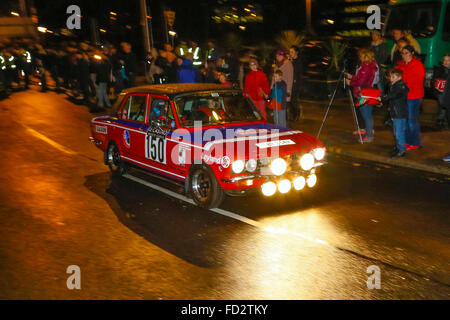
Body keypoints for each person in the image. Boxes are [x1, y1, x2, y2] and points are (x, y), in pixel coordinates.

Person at [345, 48, 379, 142]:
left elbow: (361, 82)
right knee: (367, 114)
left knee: (366, 115)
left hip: (364, 93)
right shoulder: (369, 66)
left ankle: (369, 136)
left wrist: (350, 82)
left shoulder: (366, 67)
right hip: (367, 92)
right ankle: (368, 132)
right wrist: (352, 77)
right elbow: (360, 78)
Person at [396, 45, 426, 150]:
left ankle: (415, 142)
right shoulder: (400, 65)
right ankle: (408, 141)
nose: (404, 55)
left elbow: (417, 79)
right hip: (403, 96)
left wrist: (401, 78)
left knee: (411, 120)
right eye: (402, 53)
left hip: (413, 96)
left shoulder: (418, 64)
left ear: (412, 53)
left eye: (406, 53)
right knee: (405, 120)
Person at [379, 69, 409, 158]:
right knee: (396, 132)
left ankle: (402, 150)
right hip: (395, 113)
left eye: (393, 77)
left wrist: (383, 98)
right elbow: (392, 99)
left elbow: (394, 95)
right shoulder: (394, 85)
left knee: (399, 132)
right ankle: (399, 147)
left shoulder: (401, 86)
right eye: (390, 77)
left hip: (400, 113)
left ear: (400, 77)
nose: (391, 79)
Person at [272, 49, 293, 115]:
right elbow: (273, 77)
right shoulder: (276, 64)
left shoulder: (288, 64)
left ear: (283, 56)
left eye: (279, 55)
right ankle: (277, 123)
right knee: (276, 109)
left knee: (282, 110)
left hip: (284, 89)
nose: (277, 57)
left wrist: (288, 90)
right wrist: (271, 88)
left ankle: (283, 124)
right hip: (277, 90)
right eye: (277, 55)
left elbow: (290, 78)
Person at [432, 54, 450, 130]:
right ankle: (440, 120)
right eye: (444, 60)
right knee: (443, 104)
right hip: (441, 91)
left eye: (448, 60)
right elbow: (434, 80)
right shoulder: (439, 69)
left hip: (447, 91)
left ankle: (442, 120)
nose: (445, 62)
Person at [369, 30, 388, 94]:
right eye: (372, 35)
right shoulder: (371, 45)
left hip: (379, 66)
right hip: (371, 66)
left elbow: (384, 56)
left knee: (379, 82)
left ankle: (382, 98)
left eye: (375, 35)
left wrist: (377, 62)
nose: (373, 37)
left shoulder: (383, 45)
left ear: (379, 36)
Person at [289, 46, 303, 121]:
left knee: (294, 100)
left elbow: (297, 73)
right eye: (290, 52)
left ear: (296, 52)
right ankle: (294, 114)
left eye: (292, 52)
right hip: (290, 83)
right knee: (290, 100)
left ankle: (297, 114)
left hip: (296, 84)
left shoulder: (298, 61)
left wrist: (292, 62)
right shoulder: (290, 61)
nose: (290, 53)